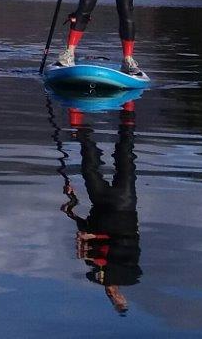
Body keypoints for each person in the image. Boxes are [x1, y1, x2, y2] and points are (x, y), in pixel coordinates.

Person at [60, 102, 142, 316]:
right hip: (123, 206)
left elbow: (83, 229)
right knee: (125, 154)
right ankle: (127, 108)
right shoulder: (129, 270)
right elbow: (123, 242)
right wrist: (113, 287)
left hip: (99, 203)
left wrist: (71, 204)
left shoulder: (90, 260)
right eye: (112, 293)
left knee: (88, 163)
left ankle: (77, 115)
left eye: (109, 294)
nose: (110, 291)